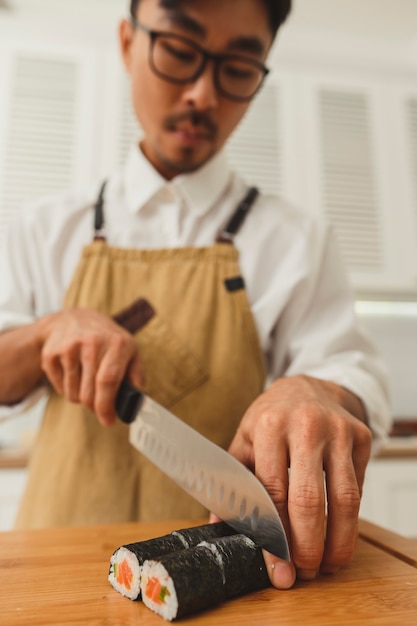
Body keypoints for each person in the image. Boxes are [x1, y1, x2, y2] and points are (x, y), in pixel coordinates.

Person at [0, 0, 390, 590]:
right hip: (47, 571)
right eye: (180, 53)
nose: (203, 95)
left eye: (237, 67)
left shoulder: (298, 241)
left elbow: (355, 372)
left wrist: (315, 386)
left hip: (219, 583)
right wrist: (45, 332)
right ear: (129, 43)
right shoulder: (41, 225)